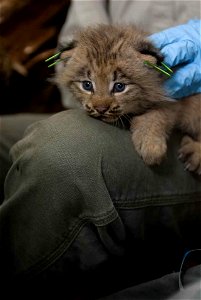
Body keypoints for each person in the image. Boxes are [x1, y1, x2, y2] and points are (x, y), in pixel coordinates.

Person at [0, 1, 200, 299]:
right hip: (106, 107)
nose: (102, 102)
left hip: (178, 122)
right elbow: (67, 65)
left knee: (60, 152)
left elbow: (169, 98)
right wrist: (93, 79)